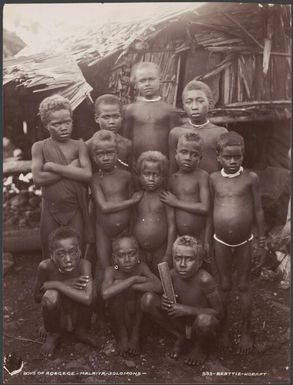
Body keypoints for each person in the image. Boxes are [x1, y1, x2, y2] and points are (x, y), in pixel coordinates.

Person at [208, 131, 266, 354]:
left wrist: (261, 242)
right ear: (218, 156)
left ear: (243, 155)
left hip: (244, 241)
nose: (233, 162)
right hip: (220, 241)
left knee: (243, 285)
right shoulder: (213, 179)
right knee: (223, 285)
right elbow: (210, 212)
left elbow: (259, 211)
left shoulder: (250, 178)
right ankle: (223, 330)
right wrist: (206, 241)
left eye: (238, 157)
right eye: (228, 157)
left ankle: (246, 330)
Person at [141, 236, 223, 365]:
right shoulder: (172, 275)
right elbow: (167, 299)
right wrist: (164, 301)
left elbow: (219, 313)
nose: (182, 264)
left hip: (199, 326)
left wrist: (188, 310)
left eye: (189, 259)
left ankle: (200, 347)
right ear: (173, 259)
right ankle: (180, 336)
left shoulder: (205, 280)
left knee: (205, 320)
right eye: (178, 258)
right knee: (147, 299)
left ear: (200, 262)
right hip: (180, 324)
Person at [32, 94, 93, 259]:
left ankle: (76, 283)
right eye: (57, 124)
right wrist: (70, 169)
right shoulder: (39, 147)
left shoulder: (79, 146)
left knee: (76, 247)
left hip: (76, 208)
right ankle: (51, 283)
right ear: (46, 125)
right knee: (49, 247)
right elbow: (38, 178)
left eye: (67, 122)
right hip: (50, 208)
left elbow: (87, 174)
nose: (64, 127)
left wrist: (54, 167)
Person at [34, 227, 95, 358]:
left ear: (80, 251)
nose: (68, 259)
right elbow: (37, 297)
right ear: (51, 254)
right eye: (61, 254)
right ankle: (53, 334)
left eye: (73, 252)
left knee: (91, 289)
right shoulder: (45, 267)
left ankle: (81, 330)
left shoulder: (84, 265)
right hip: (58, 313)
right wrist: (62, 285)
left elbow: (88, 299)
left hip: (77, 312)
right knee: (50, 295)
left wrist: (57, 285)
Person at [90, 130, 143, 272]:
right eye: (100, 154)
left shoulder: (126, 176)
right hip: (104, 230)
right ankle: (104, 290)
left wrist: (131, 228)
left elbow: (134, 210)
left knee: (127, 264)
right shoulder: (95, 179)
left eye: (110, 153)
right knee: (105, 265)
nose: (106, 158)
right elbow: (104, 207)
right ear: (94, 158)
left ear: (117, 154)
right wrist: (131, 201)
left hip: (125, 229)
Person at [101, 235, 162, 356]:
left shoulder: (141, 267)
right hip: (120, 320)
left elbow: (158, 286)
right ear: (114, 258)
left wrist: (126, 285)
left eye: (131, 254)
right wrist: (133, 279)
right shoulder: (111, 271)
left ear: (138, 255)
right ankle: (122, 334)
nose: (127, 259)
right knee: (116, 293)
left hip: (138, 320)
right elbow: (105, 294)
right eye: (121, 255)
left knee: (135, 291)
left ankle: (135, 335)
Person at [123, 61, 180, 166]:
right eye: (142, 81)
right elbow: (126, 142)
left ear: (160, 80)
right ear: (136, 84)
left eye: (151, 79)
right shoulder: (131, 110)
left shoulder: (169, 110)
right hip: (137, 164)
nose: (147, 84)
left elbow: (174, 145)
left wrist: (172, 169)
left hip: (163, 164)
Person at [169, 80, 227, 174]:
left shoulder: (220, 133)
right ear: (183, 106)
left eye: (200, 101)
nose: (194, 107)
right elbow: (172, 171)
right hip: (185, 187)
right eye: (189, 102)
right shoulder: (176, 133)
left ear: (210, 104)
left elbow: (224, 171)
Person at [161, 132, 209, 244]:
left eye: (194, 154)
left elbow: (205, 208)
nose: (188, 158)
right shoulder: (172, 179)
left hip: (199, 236)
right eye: (184, 152)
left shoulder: (202, 176)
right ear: (176, 154)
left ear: (200, 158)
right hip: (178, 237)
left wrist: (177, 202)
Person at [132, 151, 176, 273]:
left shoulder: (165, 197)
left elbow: (172, 226)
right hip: (139, 249)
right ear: (139, 175)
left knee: (163, 277)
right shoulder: (137, 197)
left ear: (163, 177)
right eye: (147, 174)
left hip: (160, 249)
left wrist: (168, 253)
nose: (151, 179)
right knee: (142, 276)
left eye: (156, 175)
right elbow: (131, 222)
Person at [87, 94, 132, 170]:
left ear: (122, 117)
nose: (112, 122)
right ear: (96, 118)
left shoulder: (127, 145)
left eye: (116, 116)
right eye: (106, 117)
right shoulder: (88, 146)